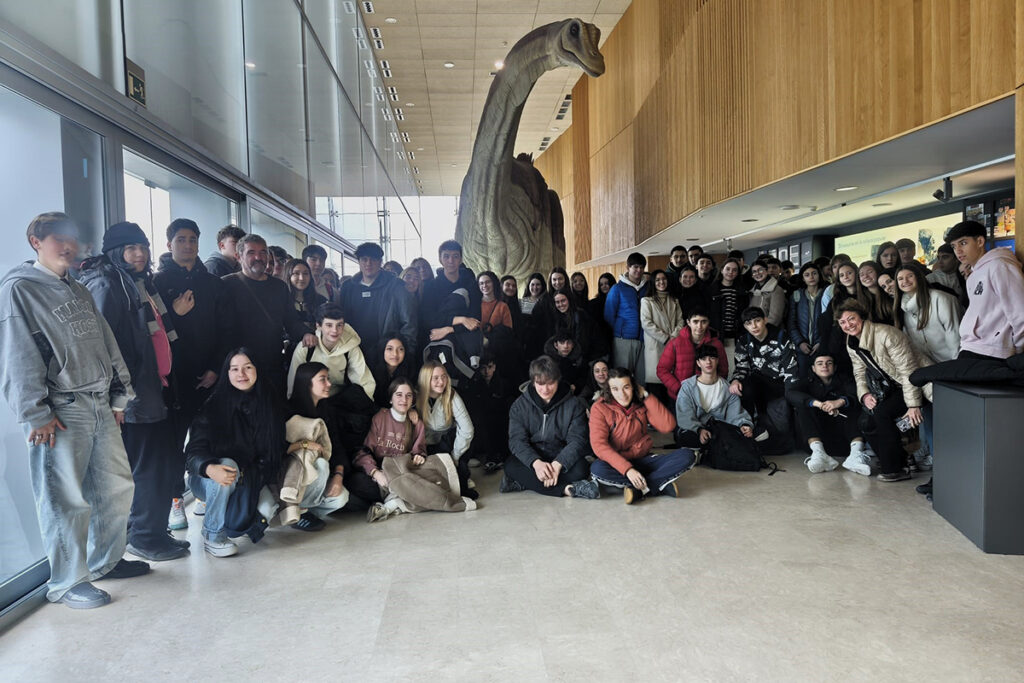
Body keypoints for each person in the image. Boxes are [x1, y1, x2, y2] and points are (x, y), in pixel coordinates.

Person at [0, 212, 140, 608]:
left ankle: (104, 562)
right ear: (35, 241)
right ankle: (67, 581)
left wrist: (119, 393)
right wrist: (34, 412)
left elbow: (105, 342)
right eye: (58, 238)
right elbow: (16, 355)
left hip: (99, 405)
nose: (68, 246)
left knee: (116, 490)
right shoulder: (19, 290)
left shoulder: (76, 288)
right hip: (59, 410)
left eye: (73, 238)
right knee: (64, 499)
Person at [80, 222, 187, 563]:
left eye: (142, 247)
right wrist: (119, 397)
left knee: (161, 465)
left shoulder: (138, 283)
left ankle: (152, 532)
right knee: (147, 468)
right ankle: (144, 537)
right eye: (131, 249)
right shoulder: (106, 284)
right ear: (115, 252)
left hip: (156, 391)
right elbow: (103, 348)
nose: (139, 255)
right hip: (135, 397)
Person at [153, 218, 232, 531]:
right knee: (173, 442)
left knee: (212, 437)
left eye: (192, 240)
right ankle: (175, 500)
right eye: (181, 239)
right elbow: (155, 333)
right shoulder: (156, 283)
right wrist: (176, 315)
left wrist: (216, 368)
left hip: (209, 376)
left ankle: (204, 492)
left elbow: (226, 331)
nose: (187, 245)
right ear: (169, 243)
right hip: (174, 380)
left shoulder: (213, 283)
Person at [185, 350, 284, 557]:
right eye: (235, 369)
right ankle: (213, 534)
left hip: (249, 478)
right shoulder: (213, 405)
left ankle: (227, 513)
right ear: (226, 373)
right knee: (228, 463)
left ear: (257, 370)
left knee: (266, 509)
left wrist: (248, 481)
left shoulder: (269, 403)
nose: (242, 374)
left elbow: (271, 455)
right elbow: (193, 453)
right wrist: (209, 468)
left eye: (248, 367)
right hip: (210, 477)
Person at [354, 377, 477, 522]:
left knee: (436, 472)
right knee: (357, 482)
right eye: (399, 395)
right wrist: (375, 473)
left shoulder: (415, 423)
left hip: (404, 473)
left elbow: (419, 450)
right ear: (390, 399)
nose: (403, 399)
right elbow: (364, 452)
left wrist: (419, 456)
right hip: (382, 474)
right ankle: (399, 496)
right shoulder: (380, 418)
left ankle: (394, 503)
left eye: (408, 395)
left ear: (413, 400)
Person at [837, 300, 932, 482]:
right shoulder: (852, 343)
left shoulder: (886, 334)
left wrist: (913, 405)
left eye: (852, 319)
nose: (848, 325)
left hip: (919, 384)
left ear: (862, 318)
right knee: (866, 421)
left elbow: (909, 371)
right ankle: (901, 460)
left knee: (882, 414)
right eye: (843, 322)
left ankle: (894, 468)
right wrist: (864, 395)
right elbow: (858, 372)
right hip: (894, 387)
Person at [221, 234, 315, 392]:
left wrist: (306, 333)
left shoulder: (279, 287)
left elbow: (291, 322)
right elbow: (219, 330)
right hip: (239, 368)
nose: (258, 257)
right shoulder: (226, 285)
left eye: (263, 252)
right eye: (251, 252)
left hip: (272, 364)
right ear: (238, 256)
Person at [589, 368, 694, 504]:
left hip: (643, 459)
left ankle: (640, 489)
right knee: (597, 469)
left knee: (687, 455)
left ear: (633, 387)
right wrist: (628, 470)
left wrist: (646, 395)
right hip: (617, 463)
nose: (622, 394)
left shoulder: (641, 403)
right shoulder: (599, 408)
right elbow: (599, 446)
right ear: (609, 390)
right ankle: (659, 484)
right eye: (615, 389)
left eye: (626, 387)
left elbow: (667, 425)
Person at [502, 355, 599, 498]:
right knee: (510, 466)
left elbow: (577, 440)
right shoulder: (519, 405)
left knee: (581, 469)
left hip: (560, 454)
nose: (545, 389)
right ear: (533, 382)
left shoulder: (574, 404)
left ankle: (525, 483)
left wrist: (558, 464)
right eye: (540, 384)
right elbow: (517, 441)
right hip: (534, 455)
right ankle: (568, 489)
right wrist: (536, 463)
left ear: (558, 380)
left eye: (550, 383)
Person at [282, 362, 351, 529]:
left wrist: (338, 476)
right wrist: (304, 444)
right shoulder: (289, 410)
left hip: (316, 481)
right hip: (292, 477)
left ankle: (301, 515)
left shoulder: (327, 410)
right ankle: (295, 510)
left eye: (328, 379)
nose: (329, 384)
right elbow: (278, 449)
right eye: (323, 379)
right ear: (307, 382)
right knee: (321, 465)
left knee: (341, 498)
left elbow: (337, 446)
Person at [947, 220, 1024, 360]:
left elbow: (1019, 311)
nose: (958, 251)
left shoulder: (999, 265)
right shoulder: (972, 274)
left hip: (994, 351)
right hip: (971, 347)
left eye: (963, 243)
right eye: (953, 246)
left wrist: (1018, 348)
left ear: (980, 241)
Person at [785, 353, 868, 474]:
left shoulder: (845, 379)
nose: (824, 366)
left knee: (854, 405)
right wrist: (817, 404)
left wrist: (840, 402)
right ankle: (820, 455)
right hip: (817, 441)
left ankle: (856, 455)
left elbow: (856, 393)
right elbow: (790, 393)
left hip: (845, 441)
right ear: (813, 368)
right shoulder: (806, 381)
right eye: (820, 363)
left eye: (829, 363)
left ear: (835, 367)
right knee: (803, 407)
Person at [729, 306, 798, 448]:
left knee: (782, 427)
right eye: (748, 323)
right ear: (745, 326)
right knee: (742, 387)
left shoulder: (781, 337)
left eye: (757, 321)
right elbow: (741, 367)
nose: (754, 326)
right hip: (759, 382)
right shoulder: (744, 341)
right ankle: (747, 428)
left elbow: (791, 371)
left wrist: (790, 395)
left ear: (765, 320)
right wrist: (735, 380)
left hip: (780, 384)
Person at [338, 241, 418, 360]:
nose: (368, 263)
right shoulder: (348, 287)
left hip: (387, 353)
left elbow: (409, 323)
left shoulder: (396, 286)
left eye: (373, 259)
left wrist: (406, 352)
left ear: (380, 262)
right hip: (354, 352)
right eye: (364, 259)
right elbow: (340, 320)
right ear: (359, 262)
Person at [420, 240, 483, 383]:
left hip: (467, 341)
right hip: (441, 342)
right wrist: (460, 320)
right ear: (440, 259)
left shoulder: (471, 284)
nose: (451, 261)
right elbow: (428, 319)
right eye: (446, 256)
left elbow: (474, 319)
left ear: (461, 259)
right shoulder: (431, 286)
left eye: (455, 256)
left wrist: (448, 328)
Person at [286, 303, 375, 401]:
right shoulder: (306, 348)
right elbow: (294, 383)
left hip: (340, 400)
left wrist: (366, 406)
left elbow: (364, 381)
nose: (335, 330)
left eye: (339, 325)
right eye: (329, 325)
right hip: (312, 400)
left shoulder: (351, 348)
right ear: (318, 326)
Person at [674, 345, 755, 448]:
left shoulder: (727, 389)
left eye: (712, 358)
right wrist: (699, 430)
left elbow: (735, 414)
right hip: (695, 430)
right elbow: (685, 416)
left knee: (744, 437)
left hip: (719, 430)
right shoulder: (688, 388)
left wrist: (744, 425)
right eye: (703, 359)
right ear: (698, 363)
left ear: (717, 360)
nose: (708, 362)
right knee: (686, 437)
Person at [657, 306, 729, 401]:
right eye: (695, 322)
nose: (699, 326)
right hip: (679, 397)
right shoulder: (675, 343)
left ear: (708, 323)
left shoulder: (716, 344)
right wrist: (679, 389)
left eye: (704, 322)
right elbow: (662, 370)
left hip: (707, 397)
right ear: (688, 322)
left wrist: (711, 388)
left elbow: (723, 371)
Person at [894, 264, 962, 364]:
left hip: (951, 360)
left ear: (918, 277)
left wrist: (957, 362)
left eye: (910, 276)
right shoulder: (902, 308)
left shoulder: (940, 298)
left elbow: (953, 332)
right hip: (929, 364)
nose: (905, 281)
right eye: (900, 278)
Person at [640, 269, 683, 402]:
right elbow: (646, 323)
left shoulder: (674, 300)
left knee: (671, 387)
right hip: (656, 346)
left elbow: (681, 321)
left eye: (663, 279)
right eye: (657, 280)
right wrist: (665, 338)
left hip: (673, 345)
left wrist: (673, 337)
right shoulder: (647, 300)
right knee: (656, 389)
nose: (661, 282)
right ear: (653, 282)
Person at [464, 353, 512, 474]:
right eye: (483, 368)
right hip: (483, 416)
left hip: (500, 416)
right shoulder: (475, 384)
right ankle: (491, 457)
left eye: (489, 367)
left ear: (494, 367)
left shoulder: (503, 383)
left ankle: (500, 456)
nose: (486, 371)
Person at [604, 252, 650, 377]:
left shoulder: (648, 288)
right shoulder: (617, 289)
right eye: (635, 267)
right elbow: (609, 315)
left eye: (641, 267)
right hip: (623, 340)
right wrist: (620, 331)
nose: (639, 270)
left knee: (642, 378)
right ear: (628, 268)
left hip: (644, 339)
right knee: (622, 376)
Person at [706, 258, 748, 366]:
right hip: (717, 335)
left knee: (733, 365)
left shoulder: (742, 291)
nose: (730, 272)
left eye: (734, 270)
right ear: (722, 270)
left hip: (736, 335)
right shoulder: (712, 289)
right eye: (728, 269)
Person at [788, 262, 824, 379]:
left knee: (821, 379)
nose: (811, 277)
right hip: (802, 347)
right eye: (807, 275)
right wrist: (800, 342)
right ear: (803, 278)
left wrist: (820, 342)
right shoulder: (797, 295)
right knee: (803, 379)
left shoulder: (827, 294)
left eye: (814, 273)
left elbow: (831, 322)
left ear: (819, 275)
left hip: (822, 345)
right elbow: (791, 323)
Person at [369, 334, 417, 408]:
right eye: (389, 349)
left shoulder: (410, 369)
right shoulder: (371, 368)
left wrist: (410, 409)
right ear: (382, 350)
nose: (395, 354)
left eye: (400, 349)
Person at [285, 258, 327, 334]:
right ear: (288, 276)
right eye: (296, 273)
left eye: (305, 273)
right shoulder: (281, 301)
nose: (301, 278)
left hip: (316, 343)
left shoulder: (321, 301)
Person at [926, 243, 967, 307]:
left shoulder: (965, 276)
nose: (940, 261)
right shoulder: (930, 279)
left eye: (945, 257)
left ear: (956, 258)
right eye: (939, 258)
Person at [748, 259, 786, 327]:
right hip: (754, 331)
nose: (758, 273)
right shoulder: (752, 292)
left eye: (760, 270)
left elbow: (775, 319)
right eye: (754, 271)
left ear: (766, 271)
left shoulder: (776, 290)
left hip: (769, 332)